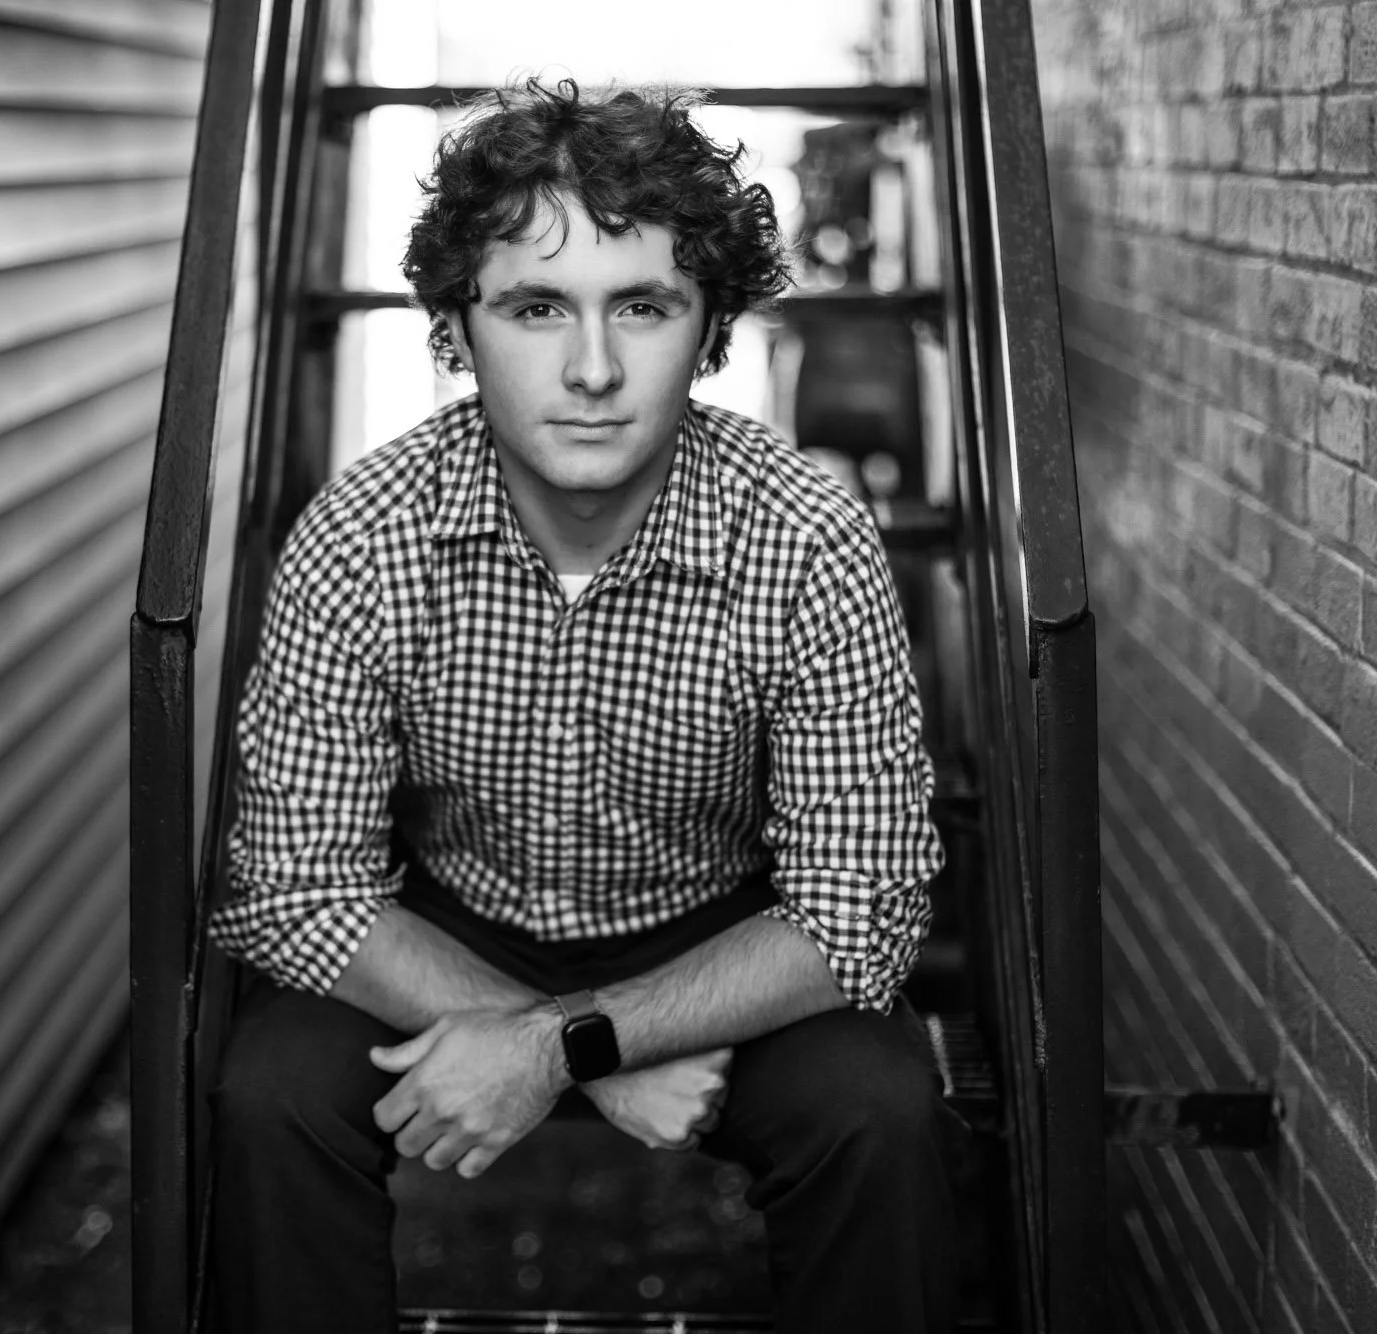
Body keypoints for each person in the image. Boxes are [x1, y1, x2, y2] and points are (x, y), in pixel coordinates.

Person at [208, 78, 960, 1333]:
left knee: (878, 1106)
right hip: (451, 922)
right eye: (536, 306)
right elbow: (294, 883)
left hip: (716, 935)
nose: (594, 367)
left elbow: (857, 907)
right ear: (457, 327)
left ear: (709, 327)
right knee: (269, 1089)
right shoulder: (361, 533)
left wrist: (563, 1043)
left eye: (645, 307)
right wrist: (581, 1046)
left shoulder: (805, 534)